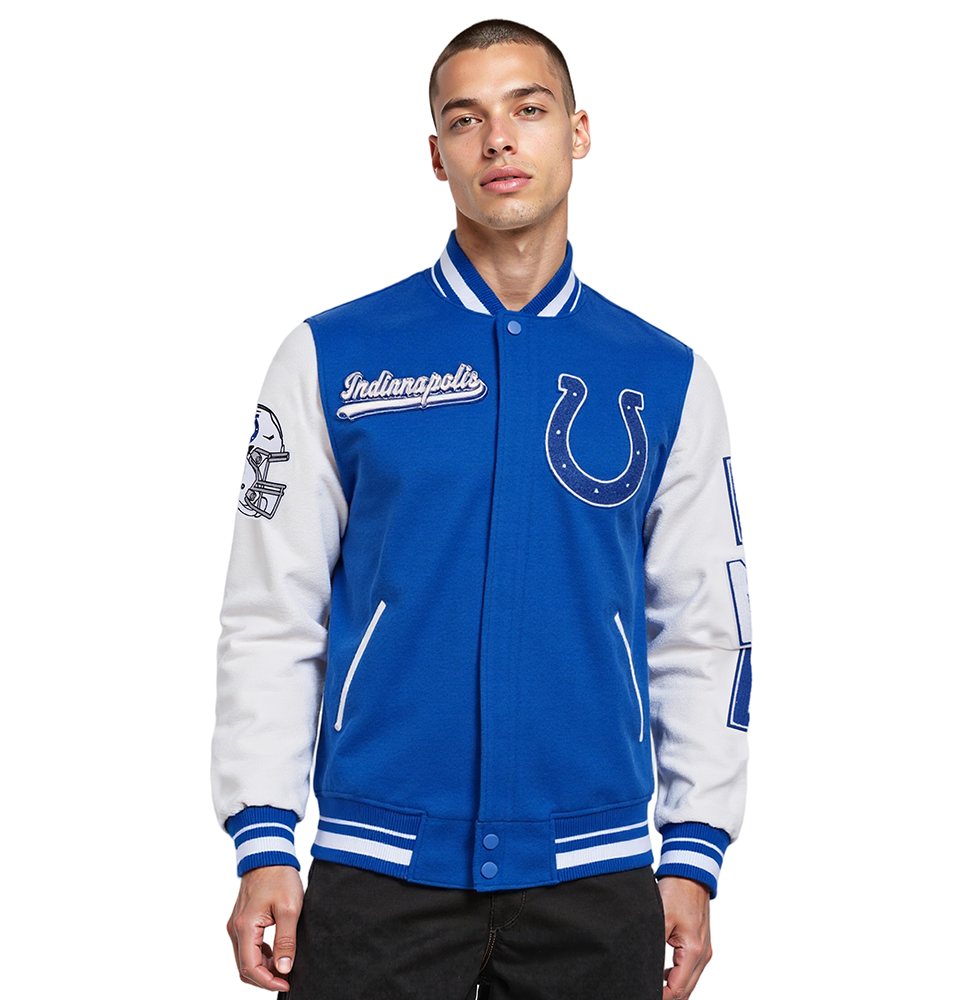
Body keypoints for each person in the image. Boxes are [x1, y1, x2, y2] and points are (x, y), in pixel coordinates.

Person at [212, 19, 751, 1000]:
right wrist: (263, 838)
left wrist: (695, 844)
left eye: (527, 109)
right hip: (376, 872)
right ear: (436, 155)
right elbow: (270, 612)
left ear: (578, 132)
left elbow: (705, 627)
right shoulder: (331, 358)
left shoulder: (666, 377)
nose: (498, 138)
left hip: (595, 876)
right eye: (465, 119)